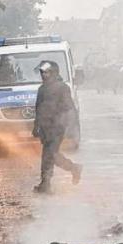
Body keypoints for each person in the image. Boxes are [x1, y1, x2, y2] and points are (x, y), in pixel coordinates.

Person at [32, 61, 83, 193]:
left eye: (46, 72)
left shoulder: (62, 88)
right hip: (45, 128)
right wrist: (36, 126)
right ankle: (72, 169)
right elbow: (38, 109)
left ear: (54, 73)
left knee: (50, 155)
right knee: (49, 155)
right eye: (42, 72)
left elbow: (69, 108)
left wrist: (71, 128)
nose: (44, 75)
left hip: (57, 128)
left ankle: (46, 183)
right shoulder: (42, 89)